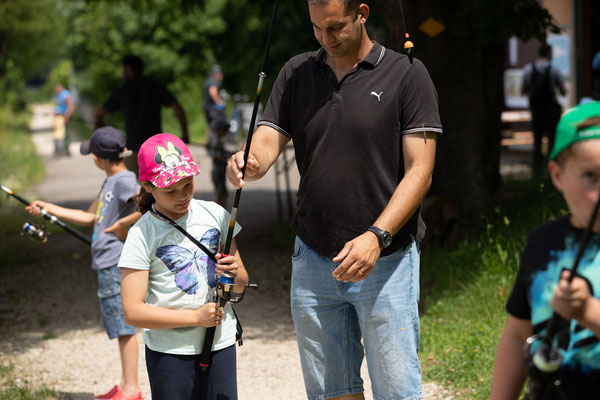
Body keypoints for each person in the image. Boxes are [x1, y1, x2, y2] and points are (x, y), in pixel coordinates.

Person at [227, 1, 441, 399]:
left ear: (362, 13)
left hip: (386, 260)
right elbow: (269, 138)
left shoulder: (407, 74)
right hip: (312, 256)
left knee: (396, 390)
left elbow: (420, 172)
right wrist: (250, 161)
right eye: (316, 28)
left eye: (336, 27)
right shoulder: (297, 72)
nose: (327, 39)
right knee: (331, 391)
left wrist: (377, 236)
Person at [118, 133, 248, 400]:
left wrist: (234, 273)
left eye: (187, 185)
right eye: (170, 190)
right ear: (148, 187)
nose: (182, 196)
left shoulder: (216, 214)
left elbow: (243, 281)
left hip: (220, 344)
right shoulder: (141, 234)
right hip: (170, 353)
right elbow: (132, 312)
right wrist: (195, 318)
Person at [25, 126, 144, 400]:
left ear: (96, 158)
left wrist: (124, 225)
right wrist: (48, 208)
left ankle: (131, 389)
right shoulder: (110, 182)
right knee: (118, 325)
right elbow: (89, 216)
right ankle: (125, 383)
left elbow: (147, 205)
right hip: (105, 263)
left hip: (116, 263)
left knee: (125, 327)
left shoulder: (125, 181)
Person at [491, 101, 600, 399]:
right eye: (590, 176)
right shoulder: (543, 242)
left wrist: (588, 312)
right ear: (557, 175)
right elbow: (517, 335)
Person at [94, 55, 190, 175]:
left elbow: (98, 114)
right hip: (156, 150)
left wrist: (102, 127)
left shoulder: (122, 90)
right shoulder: (155, 86)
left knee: (134, 191)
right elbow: (178, 108)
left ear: (128, 69)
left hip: (133, 150)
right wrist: (185, 133)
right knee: (158, 190)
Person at [521, 44, 567, 168]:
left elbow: (522, 90)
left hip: (536, 111)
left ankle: (537, 172)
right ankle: (551, 169)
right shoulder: (554, 70)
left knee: (537, 142)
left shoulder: (528, 69)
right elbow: (563, 92)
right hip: (551, 111)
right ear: (549, 54)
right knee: (552, 141)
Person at [207, 118, 232, 207]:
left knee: (223, 193)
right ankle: (219, 211)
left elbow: (222, 152)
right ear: (219, 130)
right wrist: (230, 155)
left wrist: (230, 153)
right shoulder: (215, 141)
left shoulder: (217, 141)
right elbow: (219, 155)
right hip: (218, 171)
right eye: (225, 130)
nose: (226, 132)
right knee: (221, 194)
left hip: (220, 170)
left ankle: (221, 210)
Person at [53, 82, 75, 157]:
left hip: (64, 116)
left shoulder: (65, 94)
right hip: (60, 116)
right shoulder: (60, 94)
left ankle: (66, 150)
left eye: (56, 89)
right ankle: (61, 150)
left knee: (65, 134)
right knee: (60, 133)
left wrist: (67, 116)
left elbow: (71, 106)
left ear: (60, 87)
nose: (56, 90)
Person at [203, 64, 226, 130]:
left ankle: (209, 140)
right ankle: (217, 140)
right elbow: (213, 92)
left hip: (207, 108)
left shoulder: (208, 80)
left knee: (210, 126)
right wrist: (219, 102)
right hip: (213, 109)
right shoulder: (214, 81)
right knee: (218, 127)